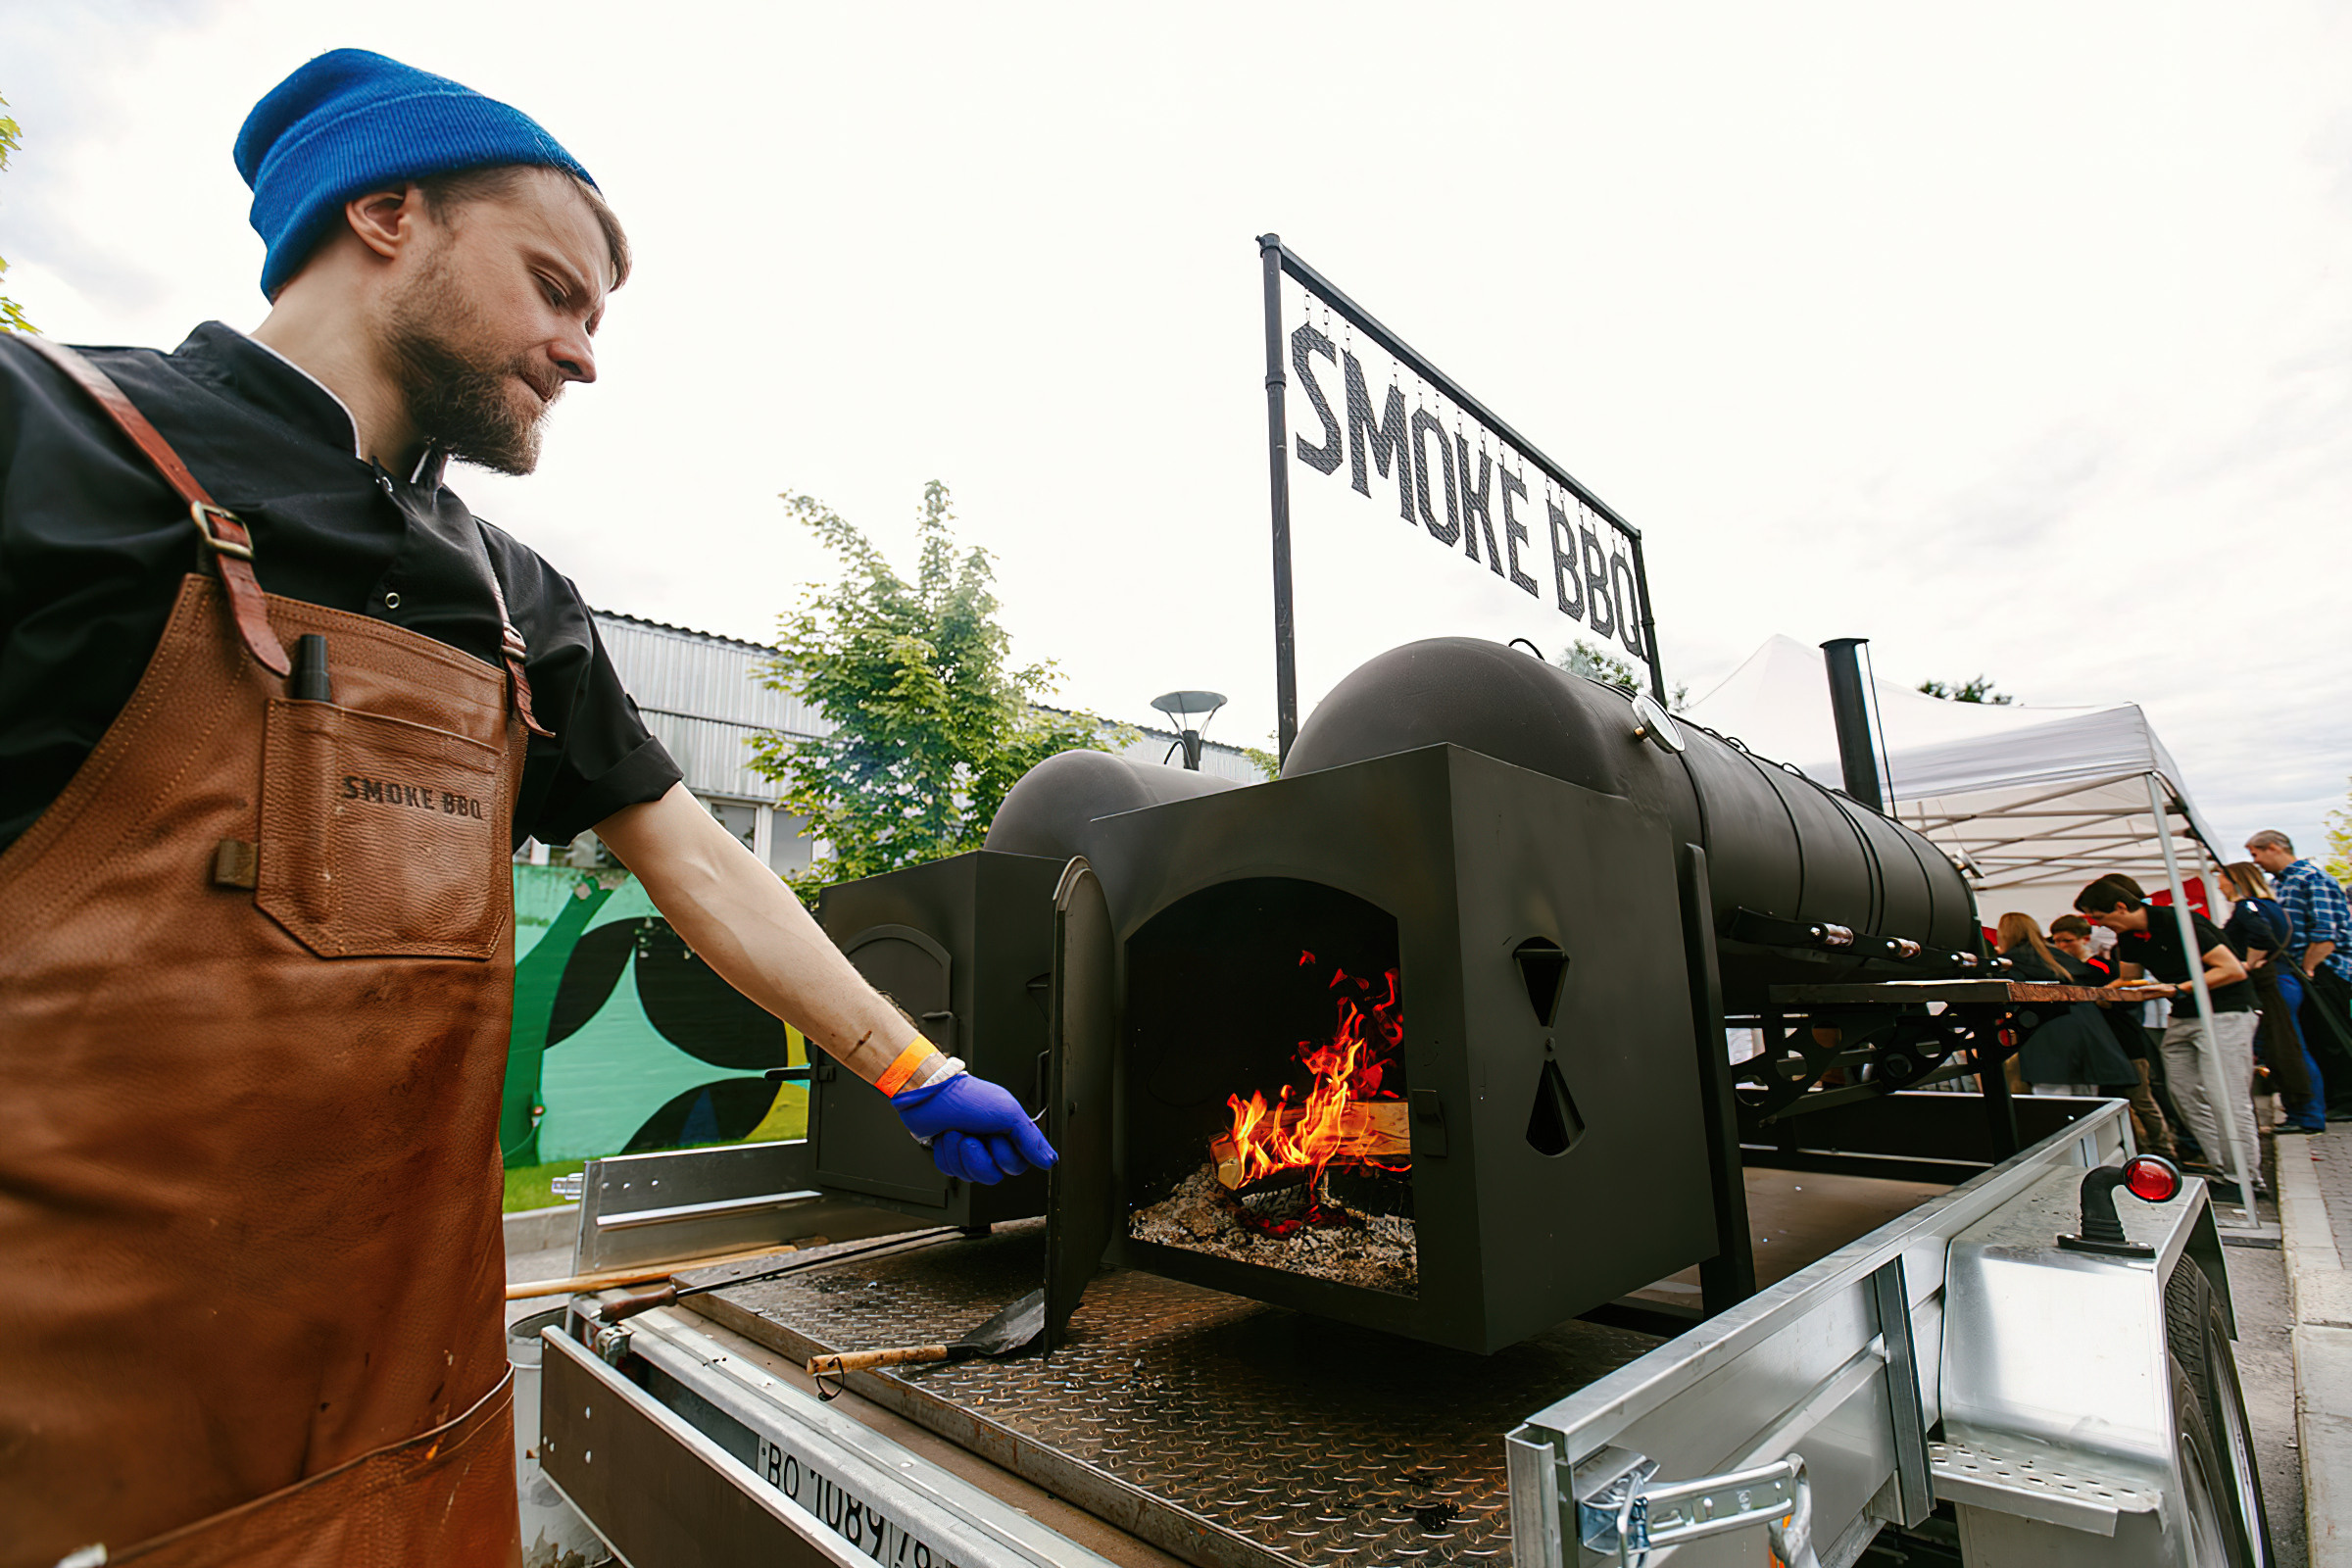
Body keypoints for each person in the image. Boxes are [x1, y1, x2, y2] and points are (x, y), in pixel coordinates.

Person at [0, 50, 1054, 1567]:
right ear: (385, 214)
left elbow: (696, 858)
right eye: (555, 289)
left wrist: (908, 1065)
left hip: (408, 1434)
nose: (583, 352)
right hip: (66, 1453)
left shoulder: (511, 601)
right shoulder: (54, 433)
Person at [2075, 875, 2264, 1198]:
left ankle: (2246, 1179)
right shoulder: (2129, 939)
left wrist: (2176, 989)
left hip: (2225, 1011)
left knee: (2226, 1098)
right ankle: (2223, 1170)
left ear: (2122, 906)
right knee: (2185, 1095)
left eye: (2101, 917)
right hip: (2184, 1016)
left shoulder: (2179, 921)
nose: (2098, 925)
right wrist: (2093, 995)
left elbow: (2232, 969)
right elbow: (2129, 981)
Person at [2048, 911, 2176, 1154]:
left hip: (2125, 1043)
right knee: (2110, 1104)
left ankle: (2165, 1151)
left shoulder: (2101, 967)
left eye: (2067, 940)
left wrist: (2104, 998)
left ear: (2085, 939)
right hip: (2098, 1048)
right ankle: (2133, 1150)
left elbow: (2128, 999)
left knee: (2141, 1100)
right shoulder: (2068, 971)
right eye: (2056, 941)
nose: (2061, 946)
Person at [2247, 829, 2352, 1120]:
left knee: (2332, 1035)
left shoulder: (2312, 879)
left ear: (2273, 848)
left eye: (2256, 854)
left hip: (2328, 968)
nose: (2256, 862)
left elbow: (2325, 933)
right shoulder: (2281, 884)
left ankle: (2346, 1098)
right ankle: (2333, 1097)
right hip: (2308, 969)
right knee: (2315, 1036)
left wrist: (2308, 968)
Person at [2218, 860, 2326, 1134]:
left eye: (2222, 878)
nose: (2219, 884)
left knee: (2287, 1047)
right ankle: (2304, 1112)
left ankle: (2307, 1114)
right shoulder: (2272, 906)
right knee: (2290, 1046)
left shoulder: (2247, 907)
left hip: (2272, 983)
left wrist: (2249, 963)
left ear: (2236, 880)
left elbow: (2261, 935)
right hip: (2283, 980)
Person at [1994, 912, 2137, 1096]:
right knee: (2089, 1101)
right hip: (2088, 1028)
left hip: (2045, 1034)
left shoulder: (2010, 962)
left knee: (2053, 1099)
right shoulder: (2058, 957)